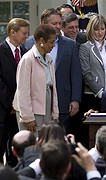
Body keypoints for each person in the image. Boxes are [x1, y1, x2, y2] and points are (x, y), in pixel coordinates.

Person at [24, 8, 82, 134]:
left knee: (60, 140)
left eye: (59, 23)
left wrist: (75, 99)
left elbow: (76, 73)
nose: (58, 27)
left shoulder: (70, 44)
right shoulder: (28, 44)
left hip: (63, 101)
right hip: (36, 102)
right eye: (54, 24)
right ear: (44, 24)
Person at [13, 24, 59, 136]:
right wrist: (28, 118)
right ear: (41, 41)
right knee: (31, 146)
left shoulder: (49, 59)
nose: (53, 45)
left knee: (45, 144)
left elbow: (53, 89)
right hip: (31, 110)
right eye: (51, 42)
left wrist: (55, 114)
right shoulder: (27, 59)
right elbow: (22, 91)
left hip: (46, 107)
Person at [0, 18, 29, 167]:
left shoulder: (26, 53)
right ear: (12, 32)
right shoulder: (0, 51)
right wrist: (11, 102)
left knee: (16, 153)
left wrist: (18, 104)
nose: (26, 36)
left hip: (20, 111)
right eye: (24, 33)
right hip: (4, 110)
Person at [79, 14, 106, 112]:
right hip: (93, 95)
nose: (100, 32)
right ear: (91, 30)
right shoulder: (85, 47)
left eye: (102, 29)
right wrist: (101, 92)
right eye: (96, 29)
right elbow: (86, 74)